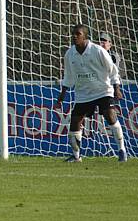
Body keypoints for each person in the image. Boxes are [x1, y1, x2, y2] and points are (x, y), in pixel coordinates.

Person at [54, 24, 127, 163]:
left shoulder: (98, 51)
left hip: (103, 90)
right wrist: (63, 93)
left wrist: (117, 88)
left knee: (110, 115)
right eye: (73, 34)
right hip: (83, 94)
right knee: (75, 121)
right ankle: (76, 156)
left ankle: (122, 150)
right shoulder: (70, 54)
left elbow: (113, 71)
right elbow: (68, 76)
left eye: (78, 34)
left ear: (85, 36)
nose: (74, 36)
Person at [99, 32, 123, 110]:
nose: (101, 43)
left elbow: (115, 74)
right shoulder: (94, 54)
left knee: (110, 112)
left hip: (109, 87)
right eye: (100, 41)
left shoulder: (113, 56)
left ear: (110, 44)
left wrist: (117, 89)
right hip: (96, 87)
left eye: (104, 41)